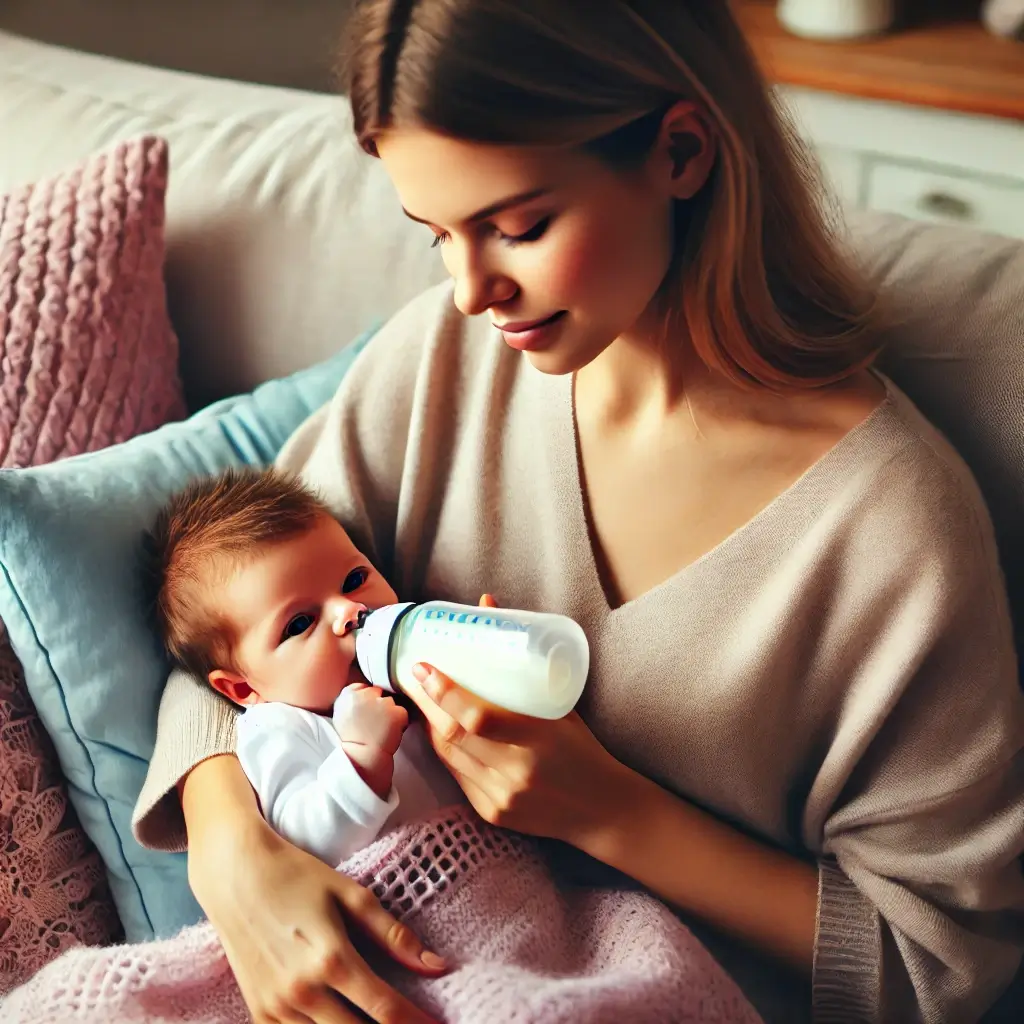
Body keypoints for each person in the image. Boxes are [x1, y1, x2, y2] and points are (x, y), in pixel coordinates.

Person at [132, 3, 1024, 1023]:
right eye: (437, 234)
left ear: (680, 152)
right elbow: (226, 621)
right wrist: (231, 853)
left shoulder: (888, 532)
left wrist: (612, 813)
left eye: (516, 228)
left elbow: (938, 963)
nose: (470, 291)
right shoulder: (440, 367)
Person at [143, 468, 463, 867]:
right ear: (243, 689)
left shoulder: (414, 666)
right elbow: (303, 844)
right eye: (299, 624)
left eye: (355, 579)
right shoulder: (278, 728)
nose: (350, 611)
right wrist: (362, 758)